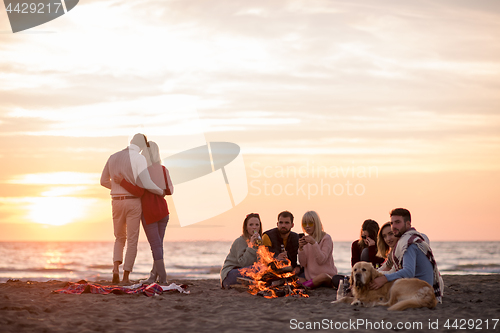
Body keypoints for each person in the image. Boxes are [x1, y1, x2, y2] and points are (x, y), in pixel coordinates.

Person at [100, 133, 164, 284]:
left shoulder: (112, 157)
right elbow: (146, 183)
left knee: (119, 237)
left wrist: (116, 187)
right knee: (132, 240)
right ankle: (125, 277)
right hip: (133, 202)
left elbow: (103, 181)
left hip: (116, 201)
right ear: (142, 146)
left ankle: (115, 269)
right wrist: (160, 191)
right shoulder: (139, 158)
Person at [114, 141, 173, 285]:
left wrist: (122, 182)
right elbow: (169, 191)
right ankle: (154, 276)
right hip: (163, 212)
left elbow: (138, 191)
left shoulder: (141, 171)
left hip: (149, 213)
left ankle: (163, 278)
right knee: (158, 245)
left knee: (155, 246)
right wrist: (159, 190)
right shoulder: (164, 169)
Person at [370, 208, 443, 302]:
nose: (394, 226)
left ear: (408, 224)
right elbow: (389, 268)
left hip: (420, 292)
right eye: (392, 223)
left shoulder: (409, 244)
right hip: (422, 289)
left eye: (397, 222)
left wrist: (384, 279)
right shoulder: (409, 239)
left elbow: (408, 272)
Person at [220, 213, 263, 289]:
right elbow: (243, 263)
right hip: (230, 274)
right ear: (246, 227)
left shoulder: (260, 241)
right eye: (251, 225)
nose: (254, 227)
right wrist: (251, 245)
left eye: (257, 225)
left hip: (247, 272)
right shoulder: (240, 241)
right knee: (260, 269)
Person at [297, 211, 338, 288]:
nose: (307, 226)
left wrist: (314, 243)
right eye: (304, 224)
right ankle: (306, 285)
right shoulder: (306, 240)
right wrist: (300, 249)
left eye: (310, 223)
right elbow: (303, 264)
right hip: (310, 278)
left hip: (327, 277)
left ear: (316, 223)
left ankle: (304, 286)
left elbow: (321, 260)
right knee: (295, 278)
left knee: (323, 276)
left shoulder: (326, 238)